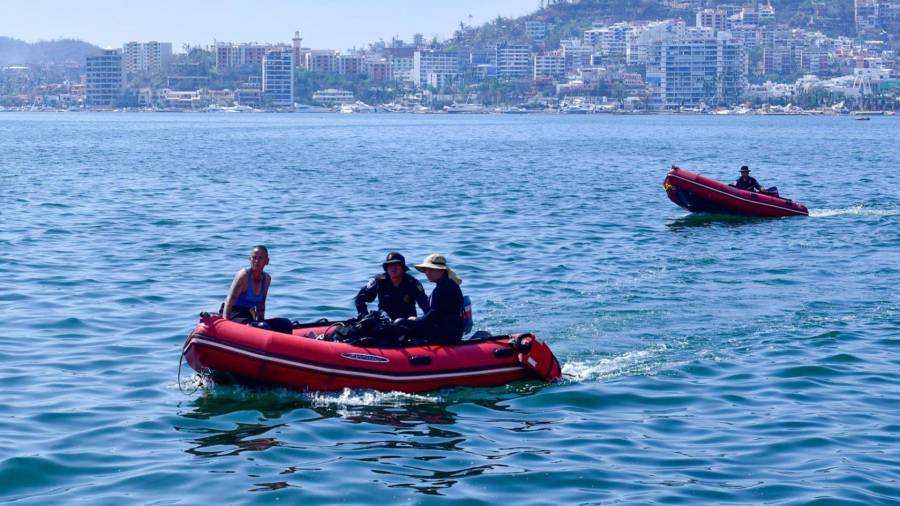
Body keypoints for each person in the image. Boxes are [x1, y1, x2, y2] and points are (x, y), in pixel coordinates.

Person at [221, 245, 293, 334]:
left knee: (286, 324)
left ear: (267, 261)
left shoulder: (267, 279)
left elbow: (260, 306)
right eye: (254, 258)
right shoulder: (243, 276)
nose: (256, 261)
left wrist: (261, 323)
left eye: (260, 258)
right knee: (263, 327)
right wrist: (225, 324)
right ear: (249, 259)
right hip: (233, 313)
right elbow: (229, 301)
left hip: (248, 314)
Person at [401, 254, 465, 345]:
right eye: (426, 270)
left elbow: (433, 315)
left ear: (442, 270)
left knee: (403, 323)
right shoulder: (448, 285)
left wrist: (416, 320)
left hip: (447, 335)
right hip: (451, 331)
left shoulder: (444, 289)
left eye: (432, 269)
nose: (428, 273)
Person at [355, 252, 429, 320]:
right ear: (386, 268)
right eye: (390, 265)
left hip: (406, 323)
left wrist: (423, 320)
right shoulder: (379, 281)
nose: (393, 268)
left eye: (396, 265)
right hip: (384, 322)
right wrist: (364, 316)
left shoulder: (413, 283)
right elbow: (360, 298)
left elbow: (425, 306)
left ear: (402, 267)